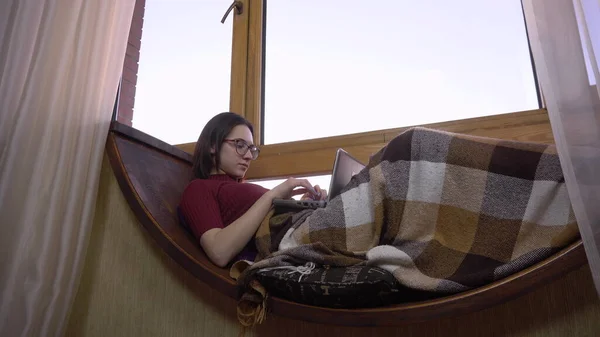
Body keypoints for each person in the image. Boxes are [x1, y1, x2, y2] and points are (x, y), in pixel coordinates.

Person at [178, 112, 327, 268]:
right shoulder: (198, 188)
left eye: (251, 148)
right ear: (212, 146)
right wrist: (274, 195)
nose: (249, 155)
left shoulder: (241, 189)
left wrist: (306, 203)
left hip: (308, 226)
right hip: (298, 238)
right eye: (240, 145)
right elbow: (219, 252)